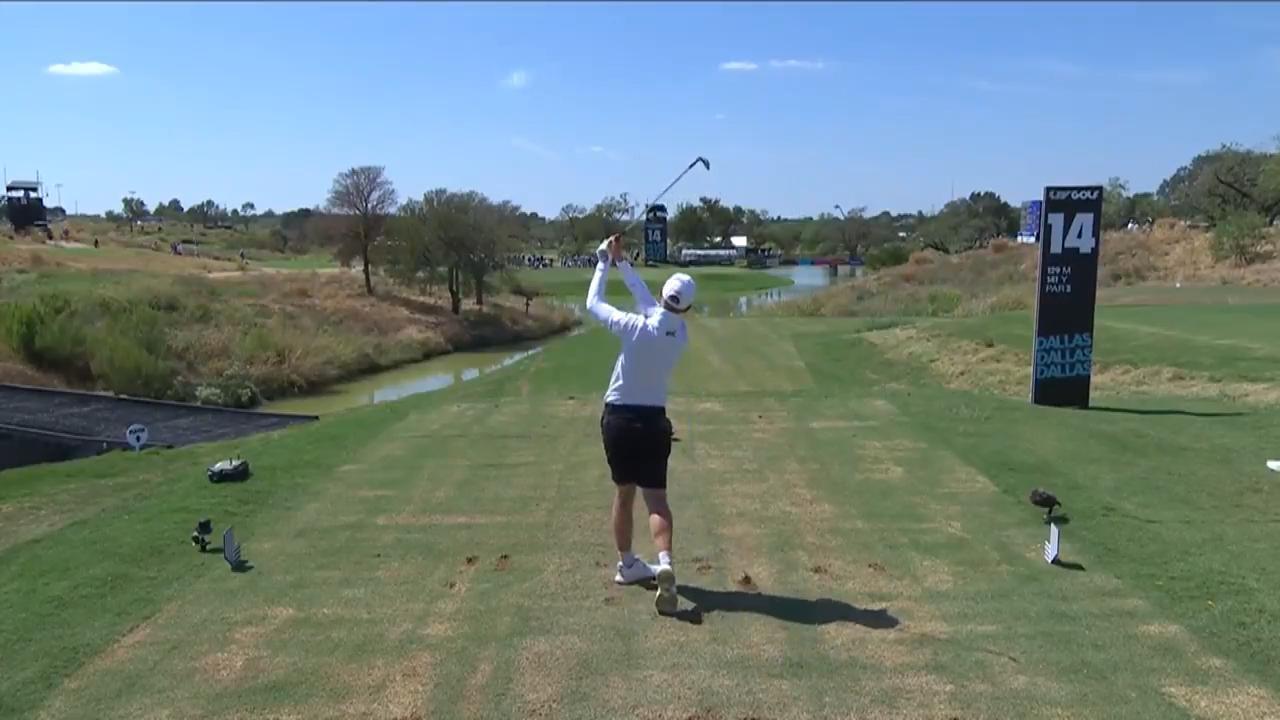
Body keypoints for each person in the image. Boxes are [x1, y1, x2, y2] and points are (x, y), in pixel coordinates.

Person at [585, 232, 696, 615]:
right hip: (654, 422)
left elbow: (593, 303)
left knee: (624, 493)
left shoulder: (635, 326)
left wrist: (603, 262)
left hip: (619, 418)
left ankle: (628, 564)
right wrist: (623, 263)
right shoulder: (680, 334)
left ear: (664, 292)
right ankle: (664, 562)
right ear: (687, 308)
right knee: (657, 500)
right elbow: (653, 306)